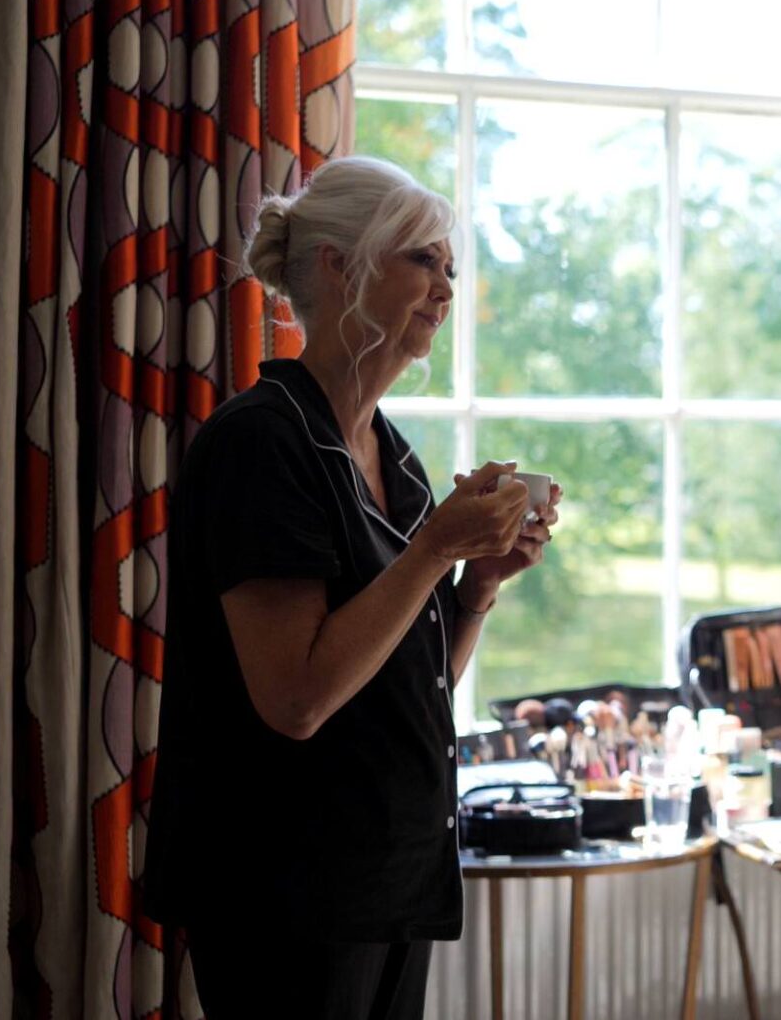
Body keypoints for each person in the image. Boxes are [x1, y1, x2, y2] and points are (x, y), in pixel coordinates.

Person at [145, 157, 561, 1020]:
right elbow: (297, 699)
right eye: (423, 259)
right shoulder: (263, 445)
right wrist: (433, 550)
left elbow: (408, 680)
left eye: (451, 266)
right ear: (340, 266)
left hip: (387, 880)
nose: (447, 288)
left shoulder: (394, 458)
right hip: (286, 894)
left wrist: (476, 586)